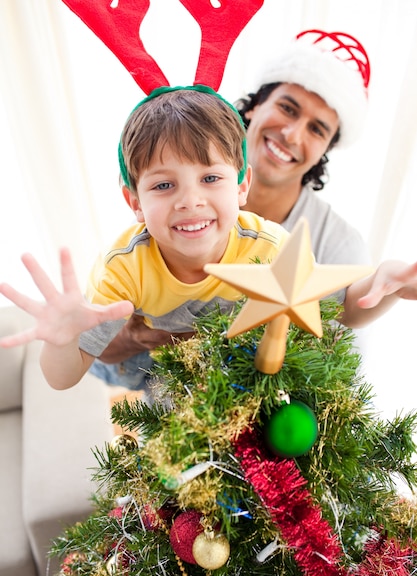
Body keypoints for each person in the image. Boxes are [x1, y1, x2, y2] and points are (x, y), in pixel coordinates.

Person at [1, 85, 417, 393]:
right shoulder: (123, 268)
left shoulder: (270, 246)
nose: (190, 201)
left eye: (211, 178)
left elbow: (345, 307)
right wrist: (62, 340)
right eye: (164, 186)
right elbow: (64, 375)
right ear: (135, 202)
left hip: (245, 374)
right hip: (167, 378)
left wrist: (389, 283)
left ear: (241, 187)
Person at [89, 31, 372, 392]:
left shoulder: (337, 243)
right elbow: (100, 350)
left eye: (317, 129)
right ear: (254, 105)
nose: (291, 134)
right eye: (287, 107)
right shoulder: (173, 206)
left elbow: (336, 360)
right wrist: (132, 337)